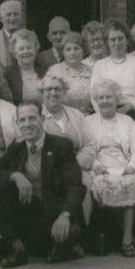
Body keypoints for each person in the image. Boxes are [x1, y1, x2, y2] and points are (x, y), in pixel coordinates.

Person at [0, 100, 85, 267]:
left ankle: (68, 244)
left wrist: (65, 215)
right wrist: (15, 175)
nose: (27, 124)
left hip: (56, 215)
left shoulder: (61, 146)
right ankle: (16, 249)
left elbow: (76, 187)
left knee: (53, 258)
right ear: (17, 123)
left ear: (42, 119)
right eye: (22, 120)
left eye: (32, 118)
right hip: (31, 215)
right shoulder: (16, 148)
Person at [84, 79, 135, 257]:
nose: (105, 101)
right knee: (104, 185)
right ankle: (123, 237)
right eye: (101, 97)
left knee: (130, 183)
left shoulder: (127, 120)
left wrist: (133, 166)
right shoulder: (88, 122)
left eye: (109, 97)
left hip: (124, 166)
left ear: (117, 99)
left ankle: (127, 237)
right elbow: (86, 149)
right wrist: (96, 165)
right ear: (95, 100)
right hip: (100, 167)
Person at [38, 72, 95, 223]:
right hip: (49, 169)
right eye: (48, 89)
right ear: (41, 93)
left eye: (58, 89)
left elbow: (89, 144)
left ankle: (83, 231)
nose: (53, 93)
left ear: (64, 92)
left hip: (76, 166)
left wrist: (73, 165)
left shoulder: (76, 115)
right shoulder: (36, 116)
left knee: (85, 183)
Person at [90, 20, 135, 116]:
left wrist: (128, 107)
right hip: (106, 112)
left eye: (121, 38)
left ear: (127, 40)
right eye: (113, 39)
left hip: (133, 110)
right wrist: (102, 114)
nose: (117, 43)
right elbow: (93, 96)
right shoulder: (99, 65)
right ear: (107, 42)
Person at [48, 32, 93, 114]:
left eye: (76, 48)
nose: (72, 53)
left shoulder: (91, 71)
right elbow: (48, 99)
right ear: (62, 52)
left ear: (83, 50)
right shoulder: (55, 71)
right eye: (68, 49)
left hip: (88, 119)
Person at [1, 29, 46, 105]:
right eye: (21, 49)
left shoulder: (45, 72)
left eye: (29, 48)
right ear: (15, 52)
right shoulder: (7, 73)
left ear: (35, 49)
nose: (26, 51)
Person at [0, 0, 25, 72]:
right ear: (1, 18)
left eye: (16, 14)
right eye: (8, 15)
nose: (12, 18)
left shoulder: (29, 39)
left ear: (21, 17)